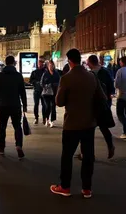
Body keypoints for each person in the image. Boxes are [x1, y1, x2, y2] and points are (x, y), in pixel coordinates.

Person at [51, 49, 107, 198]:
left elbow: (59, 102)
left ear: (69, 61)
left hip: (72, 124)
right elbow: (101, 97)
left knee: (67, 156)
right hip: (89, 123)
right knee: (88, 156)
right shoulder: (91, 77)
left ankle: (65, 187)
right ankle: (87, 189)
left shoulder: (66, 78)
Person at [0, 55, 27, 158]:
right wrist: (24, 105)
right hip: (15, 104)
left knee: (2, 126)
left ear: (5, 63)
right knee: (17, 126)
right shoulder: (18, 76)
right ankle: (19, 145)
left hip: (3, 105)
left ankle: (1, 148)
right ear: (14, 63)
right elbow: (22, 92)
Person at [86, 55, 115, 158]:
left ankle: (89, 154)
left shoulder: (90, 74)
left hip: (94, 104)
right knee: (103, 127)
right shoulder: (105, 72)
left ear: (90, 63)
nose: (87, 64)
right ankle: (110, 146)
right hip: (103, 103)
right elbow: (112, 87)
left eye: (87, 63)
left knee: (90, 130)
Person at [41, 60, 60, 128]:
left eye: (52, 65)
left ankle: (52, 121)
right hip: (46, 93)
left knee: (53, 107)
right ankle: (47, 119)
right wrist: (47, 85)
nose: (51, 67)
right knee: (47, 106)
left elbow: (59, 82)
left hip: (54, 93)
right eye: (50, 66)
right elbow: (42, 83)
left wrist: (54, 85)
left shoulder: (56, 74)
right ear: (48, 66)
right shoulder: (45, 74)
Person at [30, 60, 46, 125]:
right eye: (39, 64)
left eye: (41, 64)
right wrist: (36, 83)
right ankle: (36, 118)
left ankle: (44, 118)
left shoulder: (45, 72)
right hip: (36, 90)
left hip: (44, 91)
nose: (40, 65)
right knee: (36, 104)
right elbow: (31, 80)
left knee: (44, 105)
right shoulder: (34, 72)